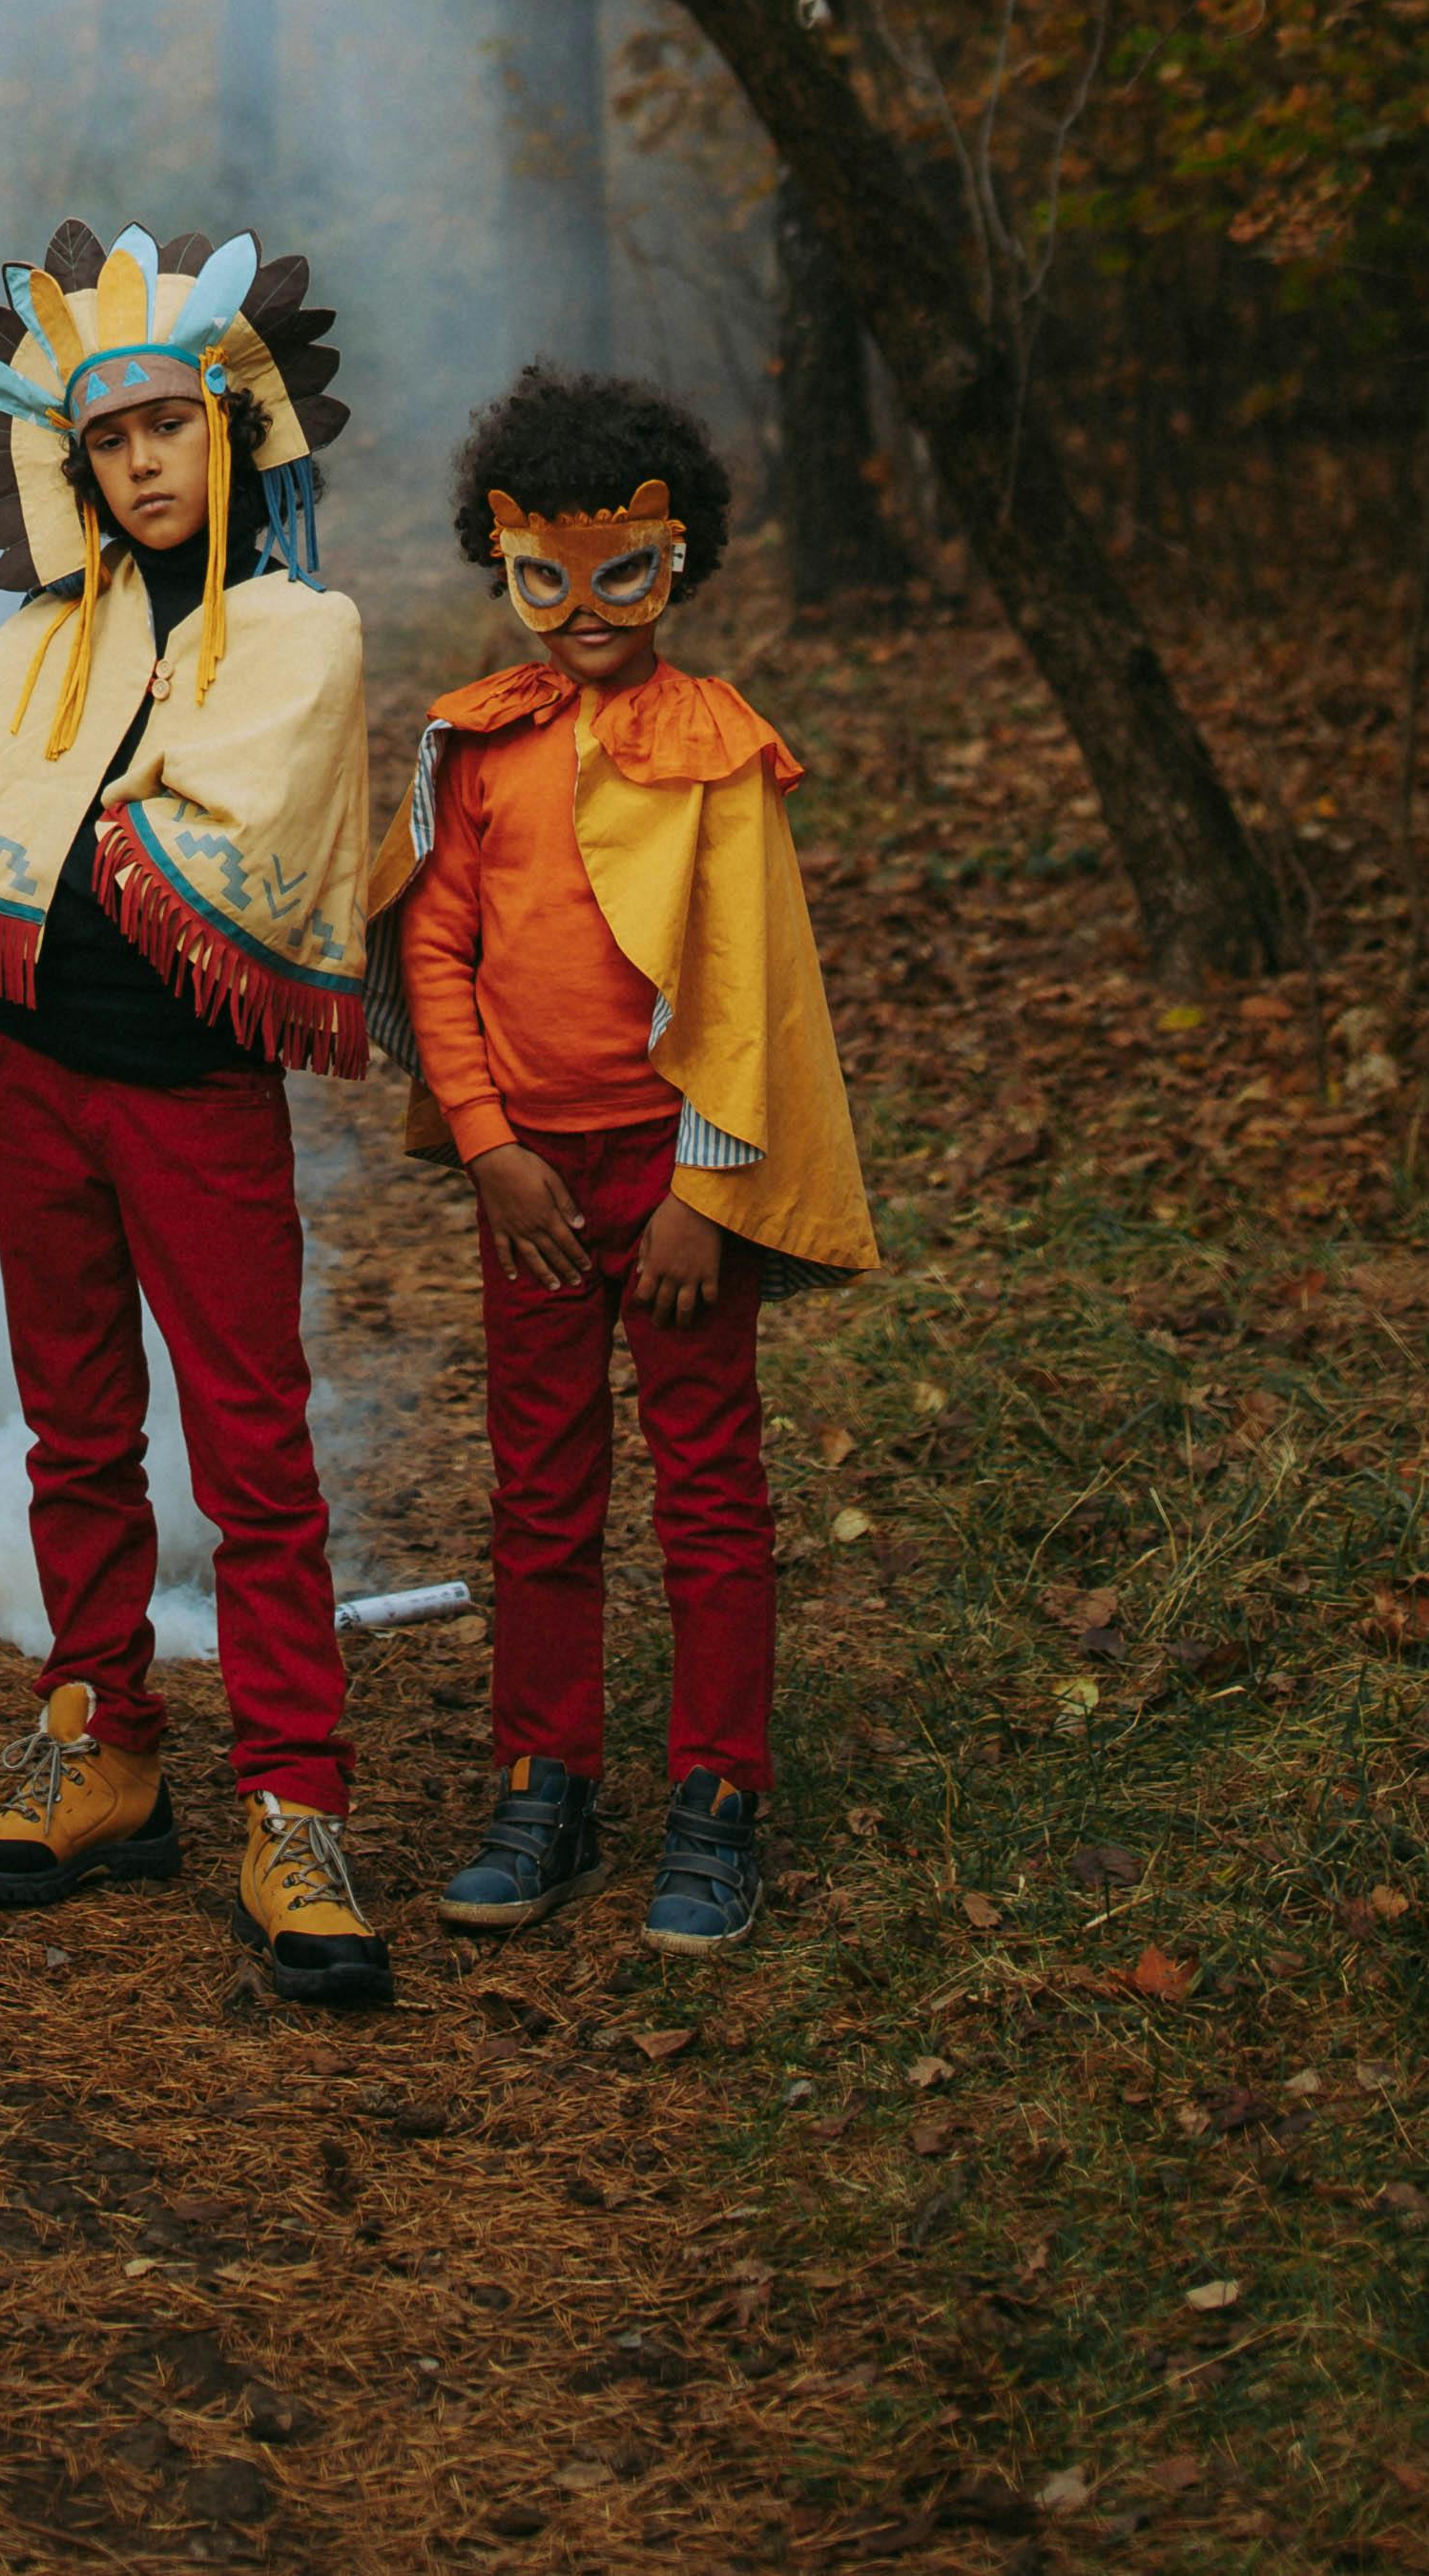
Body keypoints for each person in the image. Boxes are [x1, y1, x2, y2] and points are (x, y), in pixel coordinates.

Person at [0, 218, 392, 2015]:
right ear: (73, 462)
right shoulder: (44, 642)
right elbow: (3, 836)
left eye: (170, 423)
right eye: (107, 439)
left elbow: (217, 840)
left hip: (193, 1094)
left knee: (251, 1452)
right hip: (37, 1071)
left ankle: (295, 1803)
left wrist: (106, 846)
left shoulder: (303, 634)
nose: (143, 461)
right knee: (73, 1427)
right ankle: (99, 1740)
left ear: (233, 427)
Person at [362, 363, 877, 1959]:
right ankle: (544, 1777)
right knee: (542, 1485)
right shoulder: (482, 748)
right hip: (532, 1189)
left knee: (710, 1484)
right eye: (546, 581)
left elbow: (742, 982)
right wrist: (491, 1146)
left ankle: (718, 1799)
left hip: (672, 1186)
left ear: (678, 561)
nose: (583, 614)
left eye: (623, 578)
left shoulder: (715, 754)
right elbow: (436, 947)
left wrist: (704, 1200)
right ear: (503, 561)